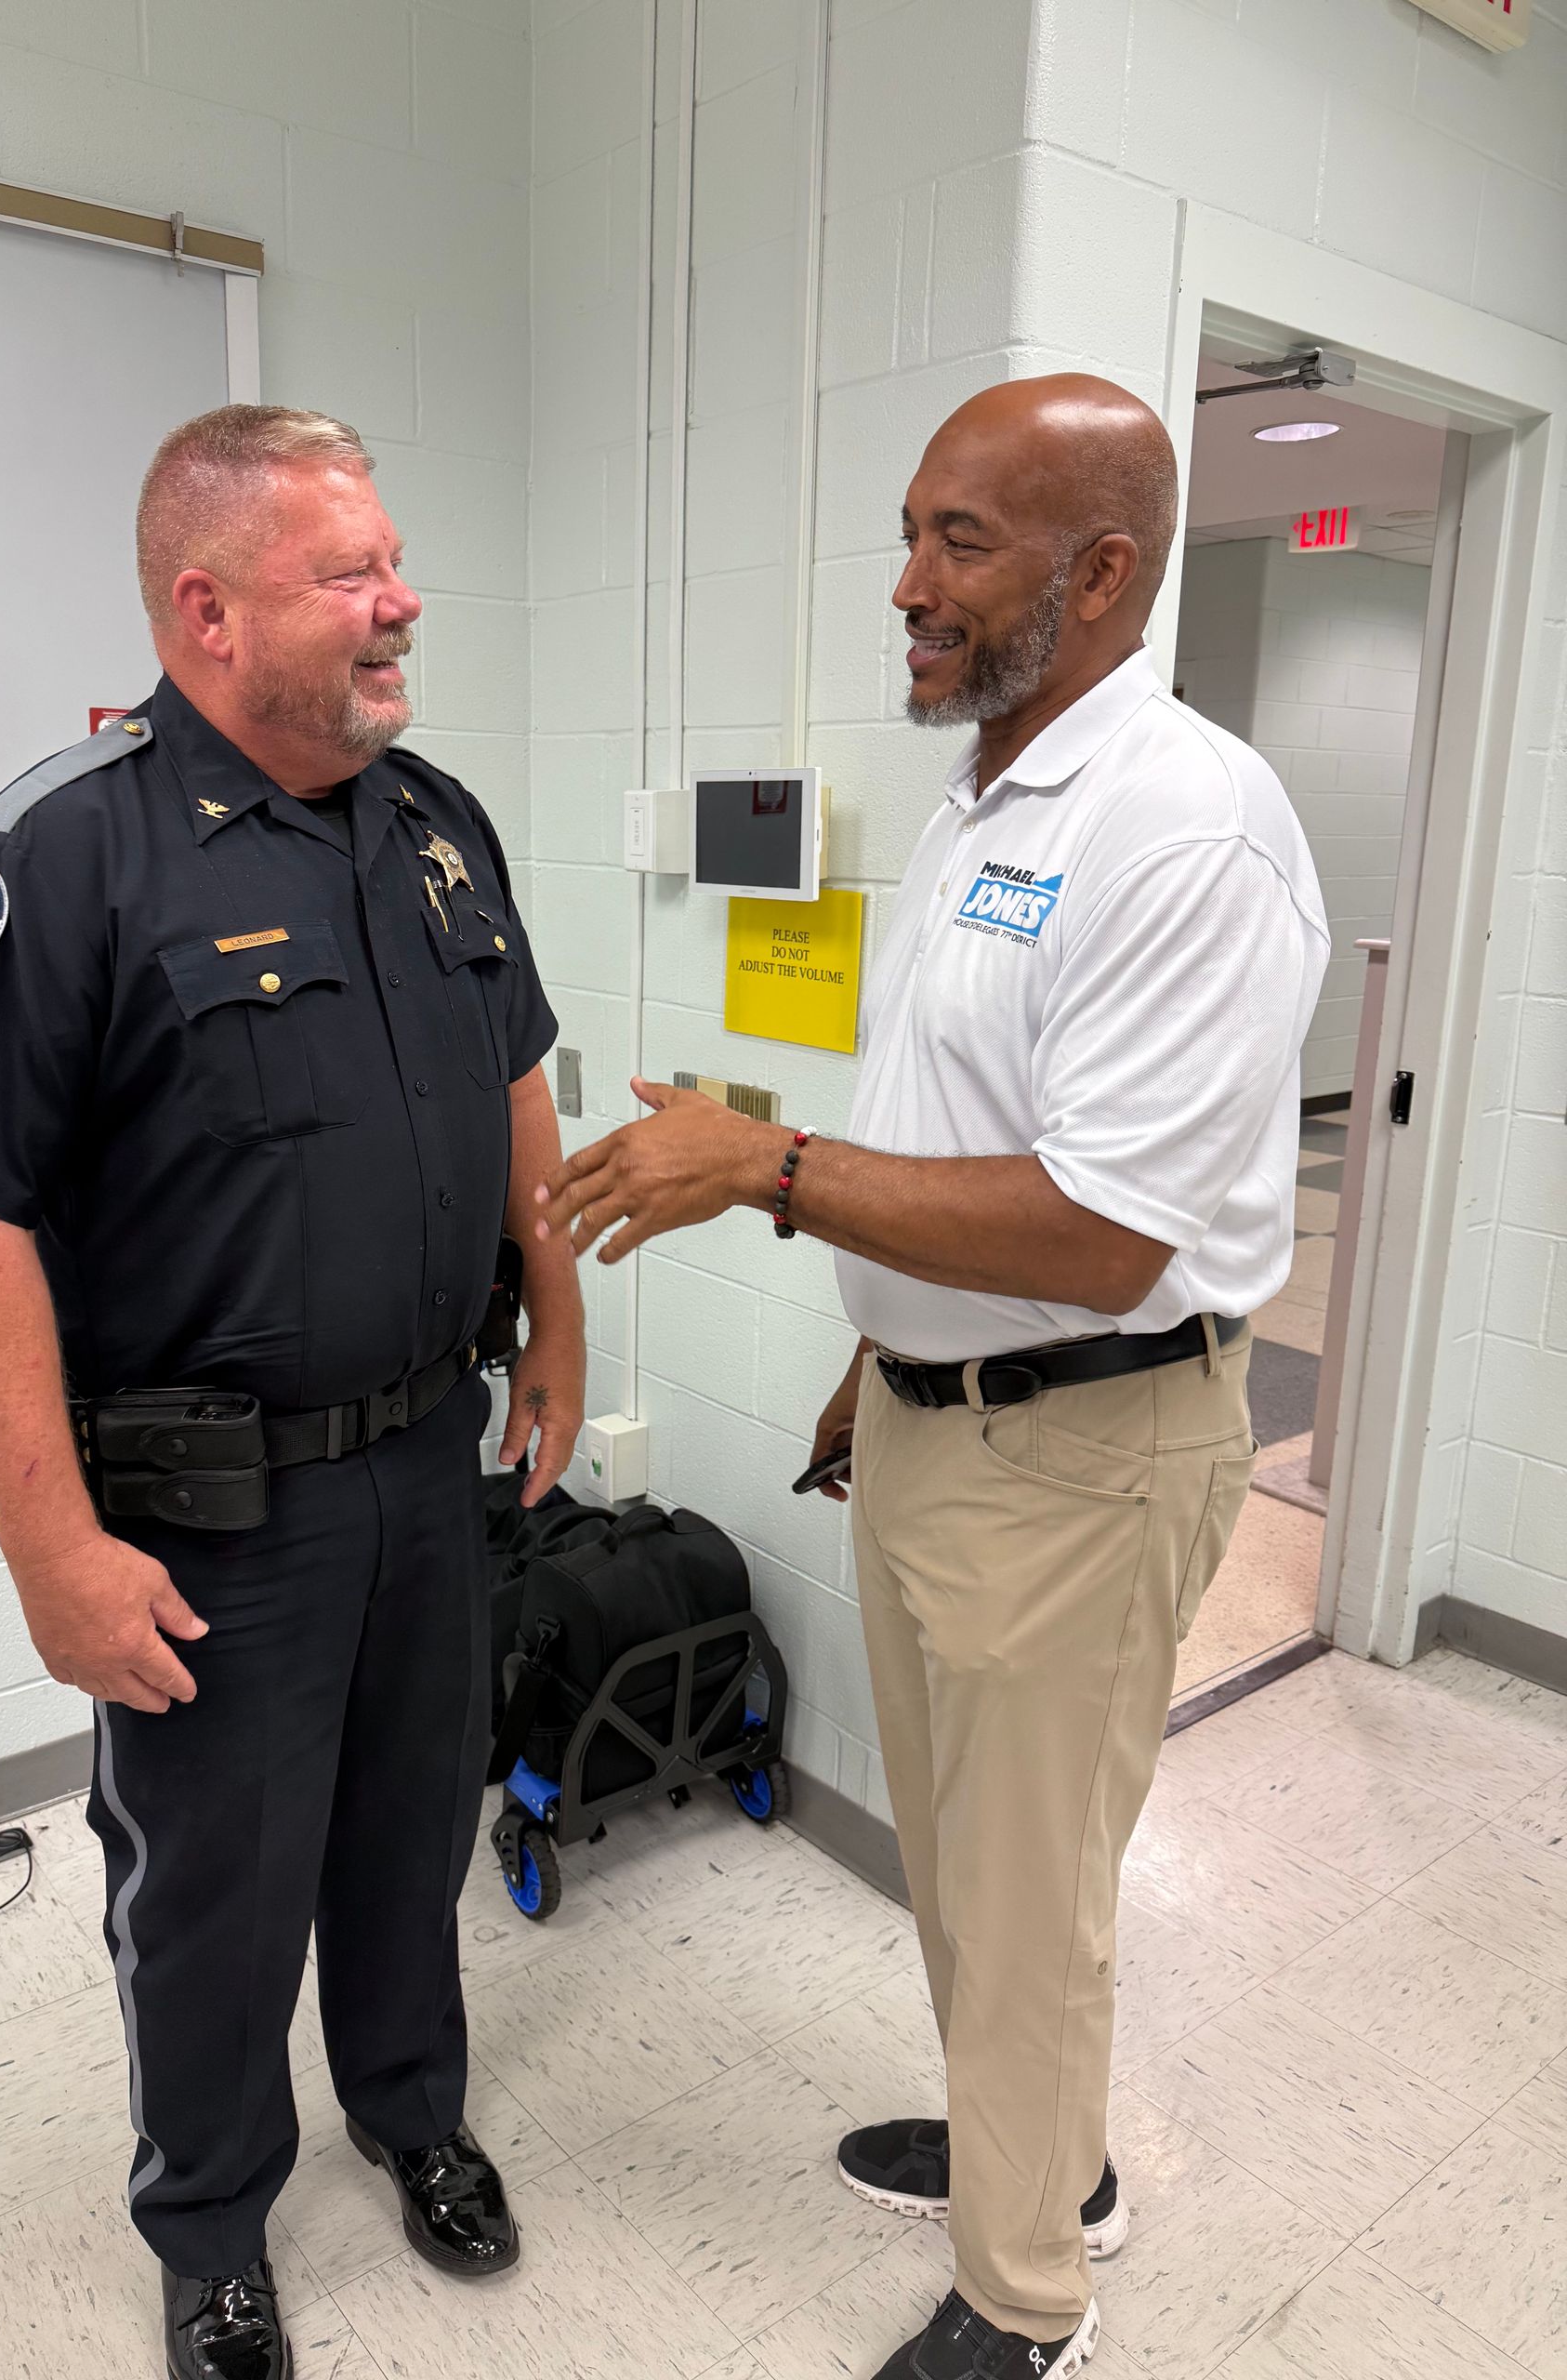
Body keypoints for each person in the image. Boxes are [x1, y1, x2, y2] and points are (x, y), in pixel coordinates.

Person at [535, 374, 1327, 2380]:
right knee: (976, 1867)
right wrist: (879, 1357)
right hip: (947, 1420)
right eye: (912, 531)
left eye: (960, 541)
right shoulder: (998, 791)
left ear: (1103, 567)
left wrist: (773, 1167)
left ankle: (1023, 2291)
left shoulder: (1188, 824)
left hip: (1088, 1446)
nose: (907, 582)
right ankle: (1035, 2157)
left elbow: (1102, 1230)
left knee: (1028, 1884)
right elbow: (973, 1134)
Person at [0, 405, 584, 2380]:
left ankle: (414, 2111)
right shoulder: (61, 851)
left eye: (392, 555)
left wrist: (563, 1318)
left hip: (433, 1454)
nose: (399, 596)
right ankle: (211, 2222)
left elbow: (519, 1068)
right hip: (210, 1509)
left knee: (413, 1829)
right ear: (212, 607)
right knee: (215, 1894)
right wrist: (50, 1550)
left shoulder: (436, 818)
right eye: (352, 571)